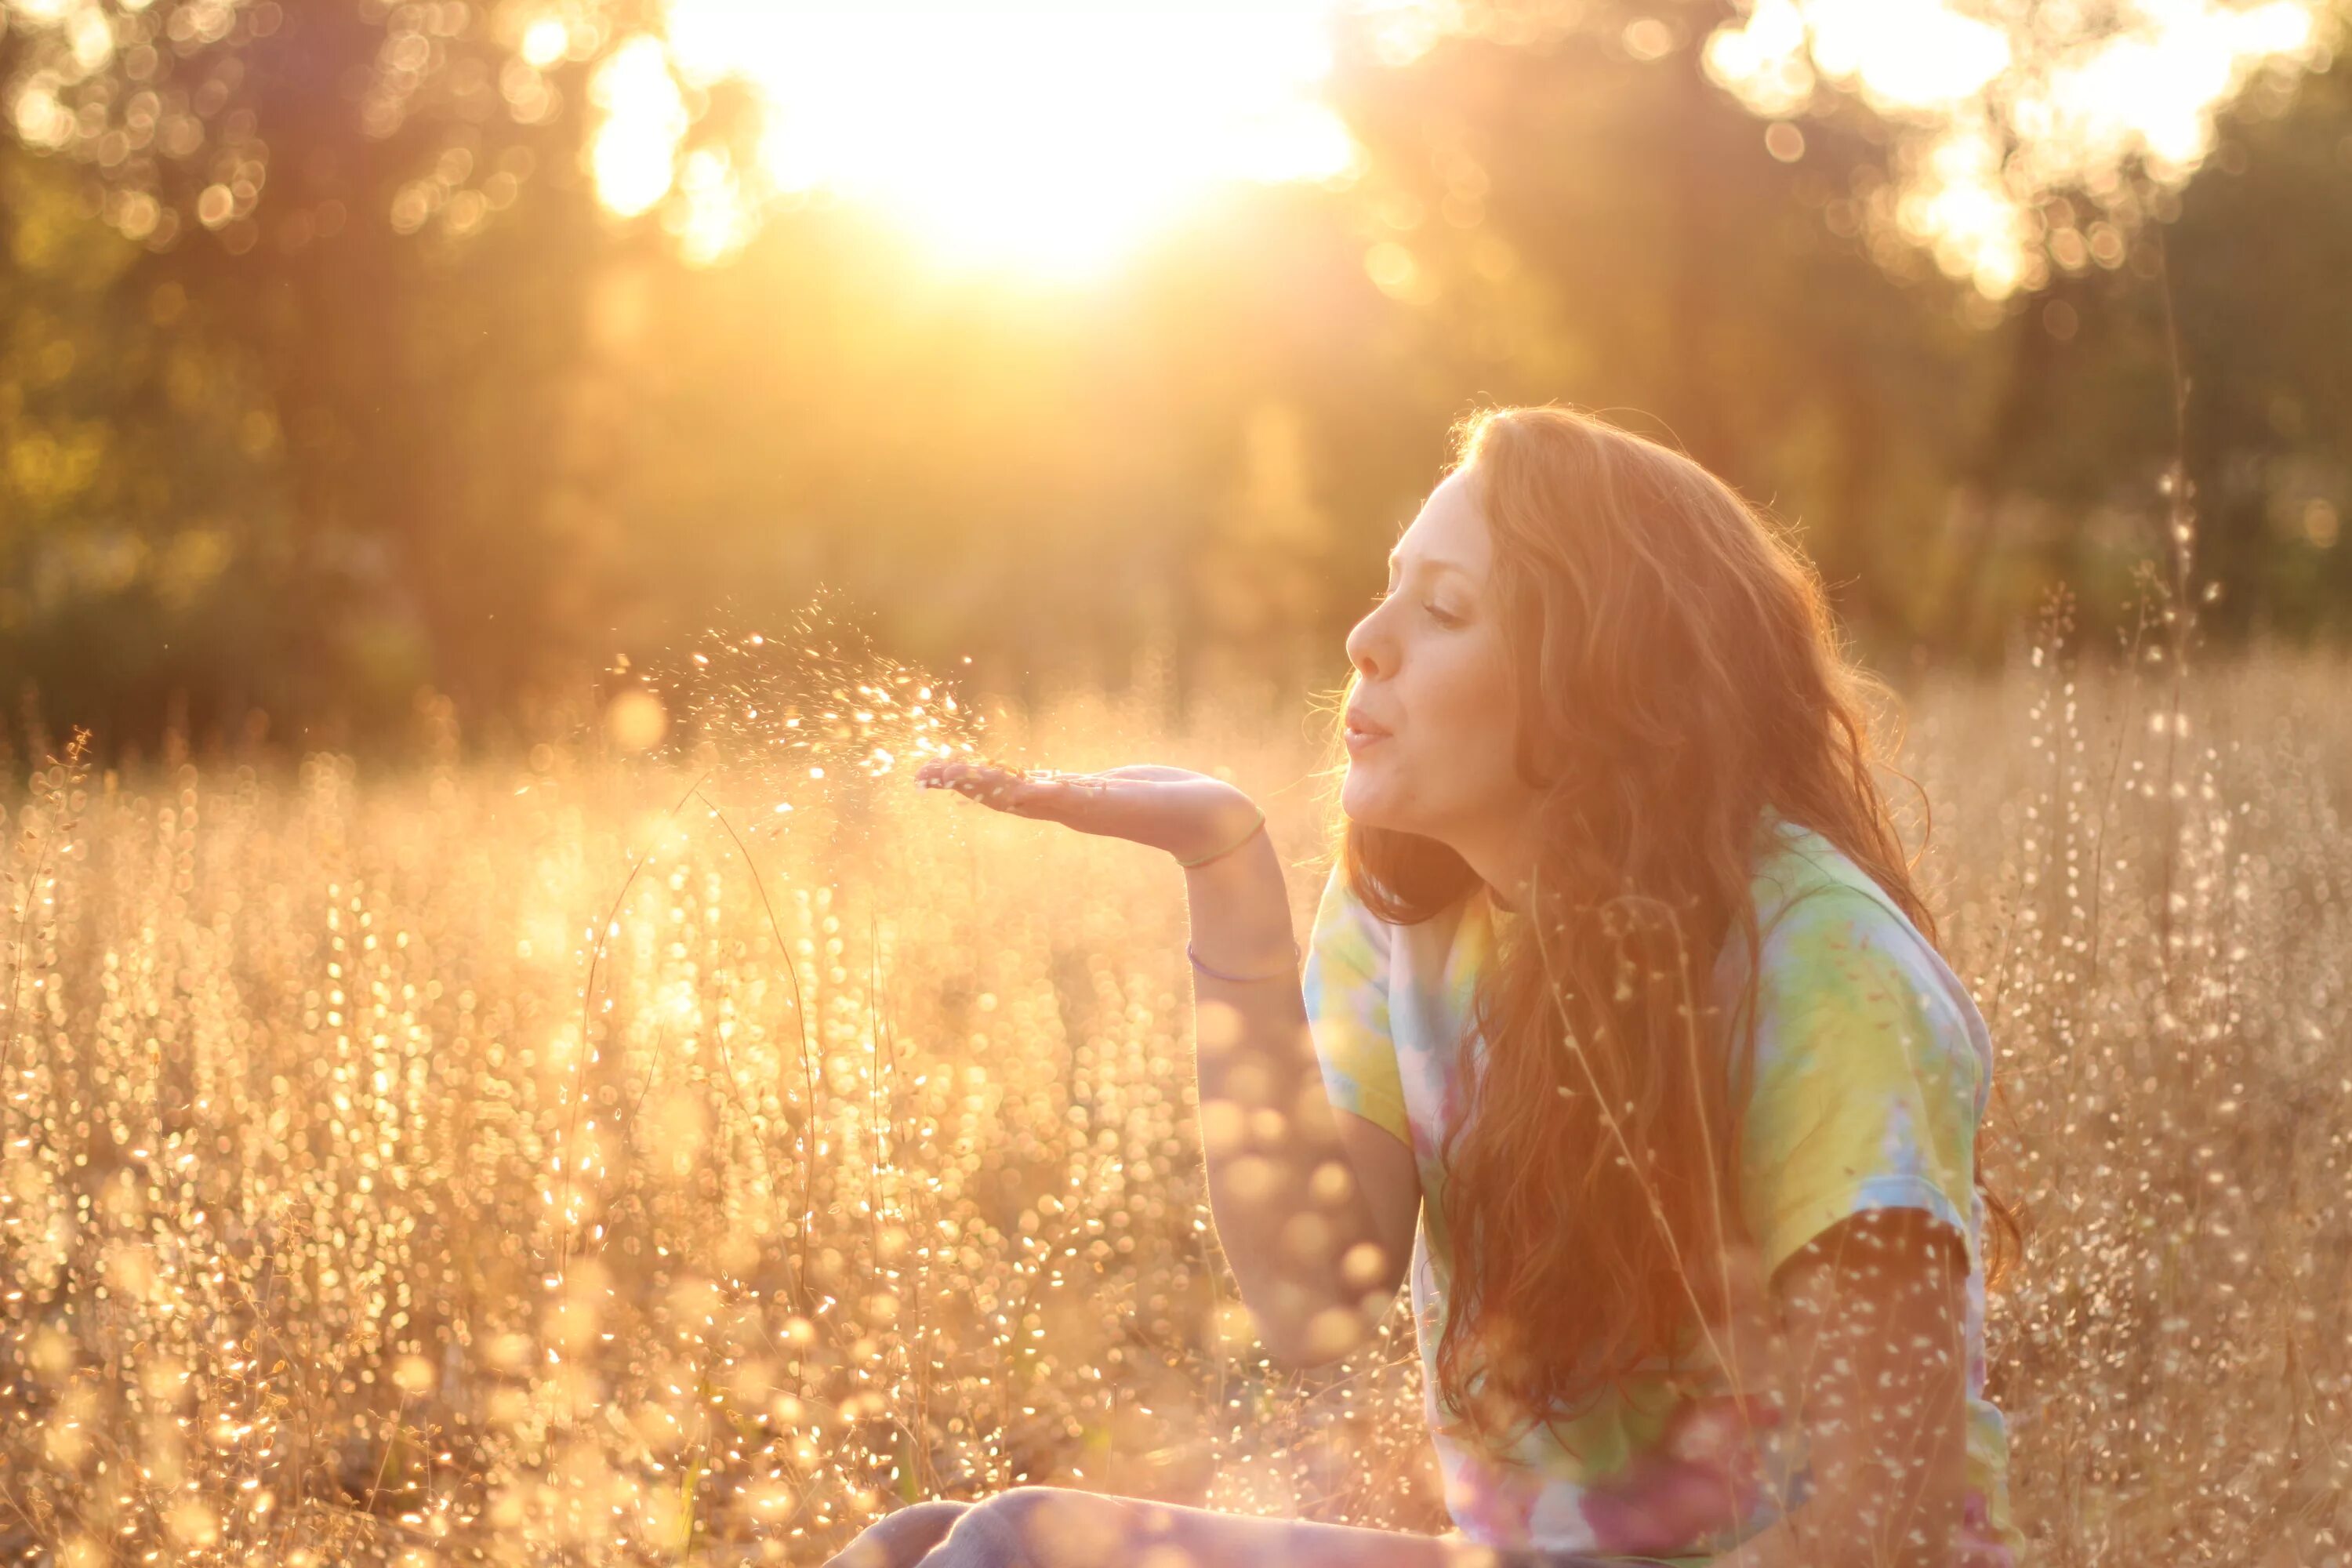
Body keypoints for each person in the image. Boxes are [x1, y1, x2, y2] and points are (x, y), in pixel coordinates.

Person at [879, 403, 2027, 1568]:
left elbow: (1892, 1518)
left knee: (1014, 1545)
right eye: (1387, 592)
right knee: (916, 1543)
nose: (1364, 640)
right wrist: (1223, 866)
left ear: (1606, 678)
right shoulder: (1415, 916)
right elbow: (1312, 1302)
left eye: (1443, 610)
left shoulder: (1827, 968)